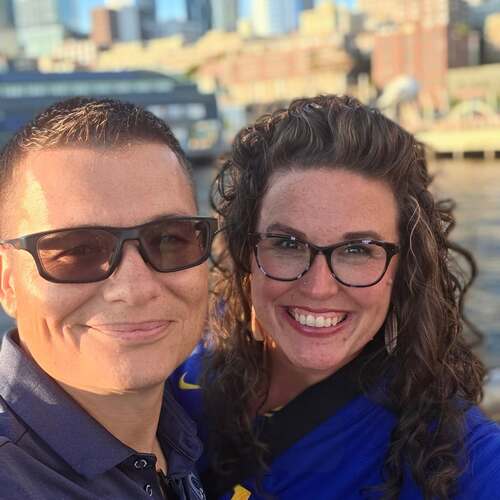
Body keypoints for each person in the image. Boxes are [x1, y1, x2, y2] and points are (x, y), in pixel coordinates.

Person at [172, 95, 500, 499]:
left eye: (358, 250)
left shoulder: (464, 461)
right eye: (288, 243)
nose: (319, 287)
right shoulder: (173, 355)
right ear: (246, 253)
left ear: (403, 269)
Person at [0, 97, 217, 499]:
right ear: (7, 282)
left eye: (170, 240)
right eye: (77, 251)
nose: (134, 288)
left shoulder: (187, 425)